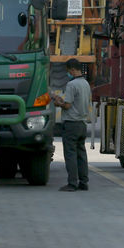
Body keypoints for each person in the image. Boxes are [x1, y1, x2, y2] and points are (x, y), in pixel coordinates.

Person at [51, 59, 91, 191]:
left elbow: (67, 105)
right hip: (82, 124)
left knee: (70, 154)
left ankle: (72, 183)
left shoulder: (71, 85)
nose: (68, 73)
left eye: (68, 71)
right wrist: (64, 101)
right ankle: (83, 182)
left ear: (72, 70)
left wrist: (58, 103)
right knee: (81, 154)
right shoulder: (86, 84)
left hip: (71, 124)